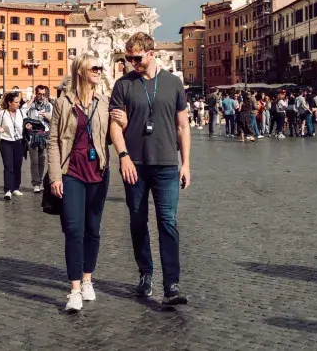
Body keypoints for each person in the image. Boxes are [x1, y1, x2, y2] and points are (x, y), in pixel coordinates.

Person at [109, 32, 191, 305]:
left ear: (152, 53)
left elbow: (183, 126)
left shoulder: (173, 83)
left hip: (167, 164)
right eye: (128, 58)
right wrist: (123, 156)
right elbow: (114, 125)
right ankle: (145, 274)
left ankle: (172, 283)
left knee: (168, 222)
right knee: (137, 221)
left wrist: (186, 163)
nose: (132, 63)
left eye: (137, 58)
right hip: (135, 164)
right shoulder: (123, 85)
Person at [48, 54, 111, 313]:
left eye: (100, 67)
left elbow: (114, 134)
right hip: (71, 171)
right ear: (81, 71)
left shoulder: (105, 102)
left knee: (92, 230)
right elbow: (53, 140)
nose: (98, 70)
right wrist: (54, 176)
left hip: (98, 172)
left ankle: (87, 280)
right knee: (74, 230)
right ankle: (74, 290)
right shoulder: (63, 103)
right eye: (93, 67)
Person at [0, 92, 26, 200]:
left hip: (19, 142)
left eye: (18, 102)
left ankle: (16, 188)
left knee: (17, 166)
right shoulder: (2, 113)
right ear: (9, 103)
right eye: (16, 102)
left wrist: (29, 126)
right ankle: (8, 190)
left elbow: (26, 124)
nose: (18, 104)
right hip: (6, 142)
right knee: (8, 167)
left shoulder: (21, 113)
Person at [22, 85, 53, 193]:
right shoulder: (31, 105)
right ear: (36, 93)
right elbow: (22, 111)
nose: (42, 96)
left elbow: (54, 119)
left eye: (44, 94)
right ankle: (36, 183)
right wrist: (31, 100)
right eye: (39, 94)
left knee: (42, 161)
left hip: (44, 136)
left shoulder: (49, 105)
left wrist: (47, 116)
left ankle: (39, 181)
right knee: (34, 161)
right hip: (32, 136)